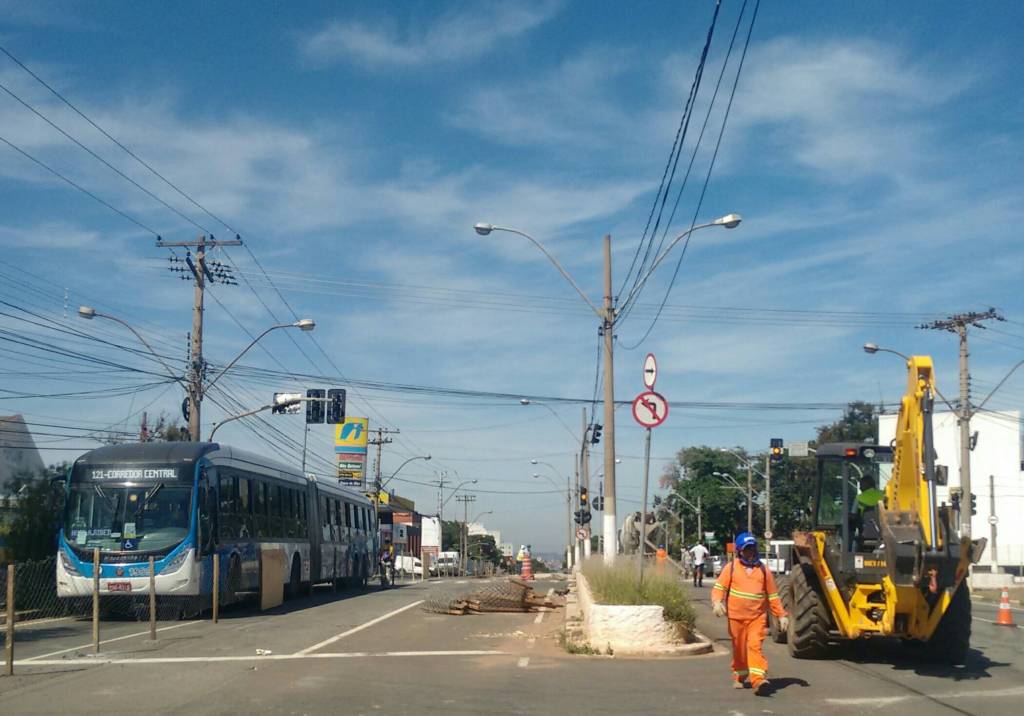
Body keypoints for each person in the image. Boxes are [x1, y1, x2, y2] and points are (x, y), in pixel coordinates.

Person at [711, 532, 788, 696]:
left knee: (754, 646)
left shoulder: (763, 570)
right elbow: (719, 588)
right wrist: (717, 602)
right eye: (747, 549)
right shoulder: (730, 568)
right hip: (735, 617)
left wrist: (781, 615)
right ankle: (740, 674)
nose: (751, 552)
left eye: (753, 549)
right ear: (740, 551)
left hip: (757, 618)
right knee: (739, 648)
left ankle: (758, 679)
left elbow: (773, 596)